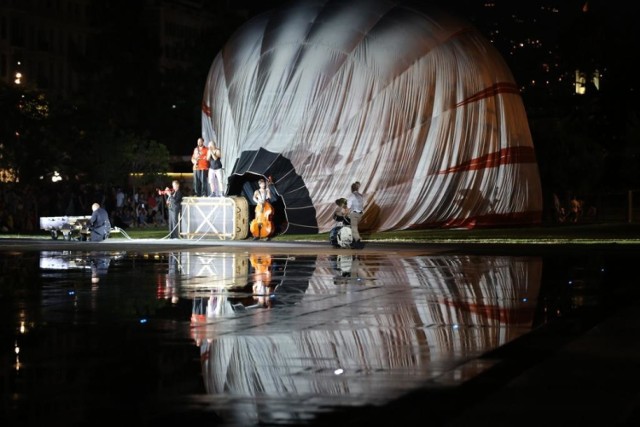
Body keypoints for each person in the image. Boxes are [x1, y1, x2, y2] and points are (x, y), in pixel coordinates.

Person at [347, 181, 364, 249]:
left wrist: (346, 212)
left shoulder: (352, 196)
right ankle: (354, 242)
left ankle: (358, 242)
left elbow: (348, 206)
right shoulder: (360, 195)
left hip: (354, 214)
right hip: (360, 214)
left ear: (352, 189)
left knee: (354, 228)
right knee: (354, 228)